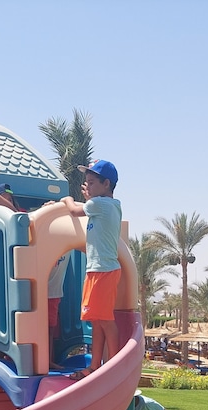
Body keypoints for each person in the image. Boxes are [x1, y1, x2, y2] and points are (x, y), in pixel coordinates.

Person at [61, 159, 122, 380]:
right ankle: (95, 366)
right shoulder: (104, 205)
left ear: (106, 184)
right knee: (97, 320)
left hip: (103, 270)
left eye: (92, 182)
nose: (88, 186)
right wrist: (90, 198)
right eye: (87, 182)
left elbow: (74, 210)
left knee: (105, 320)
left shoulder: (101, 205)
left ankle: (113, 365)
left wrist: (66, 199)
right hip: (97, 270)